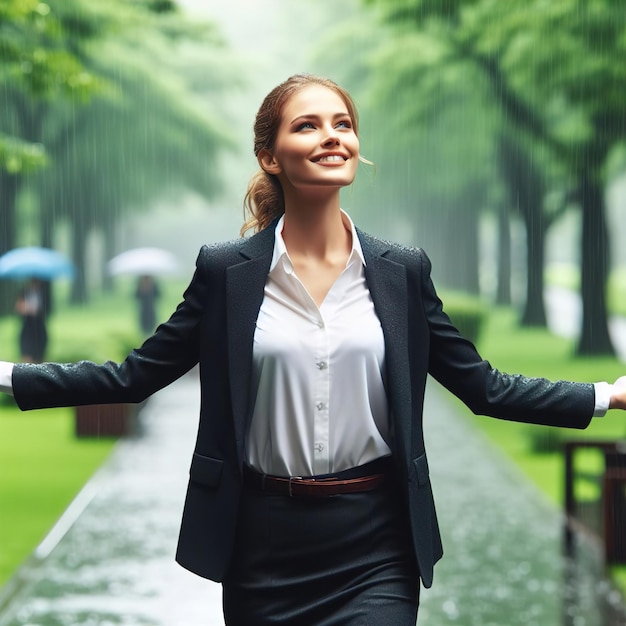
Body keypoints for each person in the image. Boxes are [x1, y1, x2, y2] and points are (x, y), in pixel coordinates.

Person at [1, 74, 625, 624]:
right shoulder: (227, 274)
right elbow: (131, 378)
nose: (333, 137)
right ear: (270, 156)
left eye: (344, 124)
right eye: (309, 126)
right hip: (263, 544)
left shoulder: (401, 272)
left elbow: (483, 386)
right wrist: (6, 376)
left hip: (376, 542)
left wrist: (606, 394)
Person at [14, 277, 48, 363]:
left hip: (38, 326)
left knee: (38, 354)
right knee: (27, 353)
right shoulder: (24, 293)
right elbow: (18, 307)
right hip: (28, 326)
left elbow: (44, 309)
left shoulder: (43, 294)